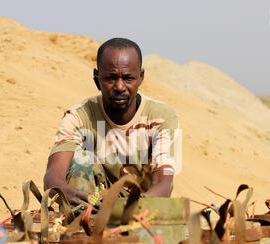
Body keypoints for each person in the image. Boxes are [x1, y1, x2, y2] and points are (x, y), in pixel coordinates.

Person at [43, 38, 180, 209]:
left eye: (128, 78)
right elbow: (53, 175)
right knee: (81, 159)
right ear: (96, 78)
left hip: (142, 207)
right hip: (91, 205)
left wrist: (128, 209)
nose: (120, 86)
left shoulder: (161, 117)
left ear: (141, 77)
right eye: (111, 78)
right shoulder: (79, 116)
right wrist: (65, 191)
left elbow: (164, 184)